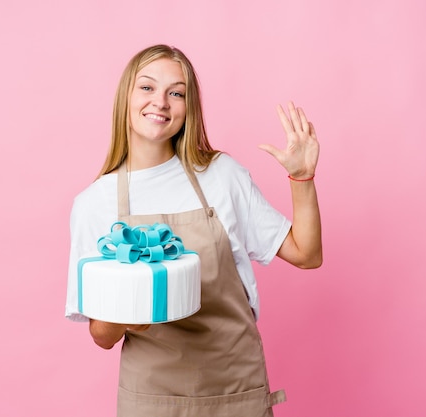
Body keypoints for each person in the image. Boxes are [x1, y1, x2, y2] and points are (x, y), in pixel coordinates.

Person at [65, 44, 322, 417]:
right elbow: (101, 336)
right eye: (148, 88)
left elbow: (306, 254)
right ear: (126, 97)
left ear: (189, 108)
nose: (162, 103)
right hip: (151, 399)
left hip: (236, 391)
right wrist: (139, 306)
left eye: (177, 93)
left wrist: (302, 178)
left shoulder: (222, 176)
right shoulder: (95, 204)